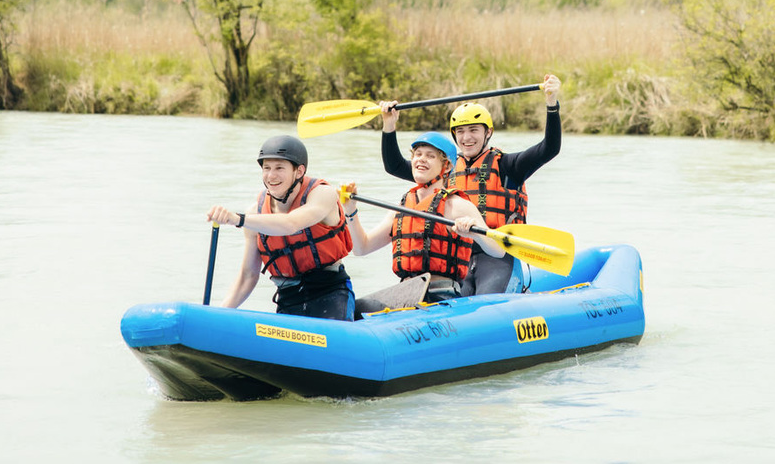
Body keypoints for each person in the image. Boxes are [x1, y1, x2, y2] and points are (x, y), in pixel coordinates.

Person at [379, 74, 562, 295]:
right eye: (461, 131)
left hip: (498, 257)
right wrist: (389, 126)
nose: (467, 137)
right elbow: (394, 165)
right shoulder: (443, 169)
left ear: (488, 133)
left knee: (488, 301)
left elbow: (549, 148)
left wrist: (551, 104)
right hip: (458, 258)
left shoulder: (508, 166)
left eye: (474, 130)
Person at [342, 131, 505, 311]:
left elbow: (498, 251)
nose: (421, 159)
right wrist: (351, 211)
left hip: (441, 294)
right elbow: (361, 248)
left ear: (446, 165)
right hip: (405, 293)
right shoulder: (403, 206)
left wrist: (474, 233)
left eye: (430, 156)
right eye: (418, 154)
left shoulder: (456, 205)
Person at [206, 134, 356, 321]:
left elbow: (290, 224)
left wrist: (237, 219)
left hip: (330, 293)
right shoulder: (255, 212)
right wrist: (217, 315)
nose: (271, 175)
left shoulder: (323, 194)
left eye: (279, 168)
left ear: (299, 171)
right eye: (266, 168)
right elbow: (248, 276)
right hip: (288, 299)